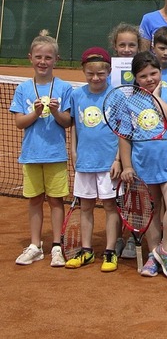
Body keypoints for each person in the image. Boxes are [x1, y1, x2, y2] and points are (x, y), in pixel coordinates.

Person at [119, 51, 167, 280]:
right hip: (143, 164)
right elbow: (124, 137)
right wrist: (127, 166)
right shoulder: (129, 101)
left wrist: (156, 97)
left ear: (160, 71)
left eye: (153, 73)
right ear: (135, 78)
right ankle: (153, 255)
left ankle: (165, 251)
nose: (149, 79)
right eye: (143, 76)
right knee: (152, 212)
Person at [12, 30, 73, 267]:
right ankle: (35, 245)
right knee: (35, 200)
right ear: (30, 58)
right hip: (31, 154)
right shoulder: (23, 89)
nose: (43, 62)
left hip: (56, 154)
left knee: (56, 201)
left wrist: (56, 111)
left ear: (56, 60)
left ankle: (56, 245)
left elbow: (67, 122)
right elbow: (19, 123)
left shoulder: (65, 88)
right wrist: (35, 113)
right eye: (38, 57)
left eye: (48, 58)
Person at [66, 47, 121, 272]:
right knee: (85, 206)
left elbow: (122, 130)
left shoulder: (115, 95)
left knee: (110, 206)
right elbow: (74, 128)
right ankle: (86, 250)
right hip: (85, 162)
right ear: (83, 71)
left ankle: (109, 251)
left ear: (108, 71)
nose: (96, 77)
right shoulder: (77, 95)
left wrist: (118, 159)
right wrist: (73, 151)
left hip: (109, 163)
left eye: (100, 73)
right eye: (90, 73)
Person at [108, 23, 141, 259]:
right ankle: (119, 237)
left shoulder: (144, 73)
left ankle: (134, 238)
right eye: (122, 45)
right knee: (118, 197)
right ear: (115, 46)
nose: (127, 49)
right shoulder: (107, 74)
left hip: (137, 141)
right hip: (112, 142)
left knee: (137, 194)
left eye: (132, 45)